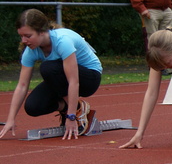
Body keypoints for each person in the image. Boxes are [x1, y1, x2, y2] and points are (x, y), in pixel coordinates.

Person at [0, 9, 102, 140]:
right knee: (33, 107)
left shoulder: (62, 42)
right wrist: (10, 119)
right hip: (62, 77)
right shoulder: (31, 50)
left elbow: (73, 81)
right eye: (21, 36)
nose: (24, 40)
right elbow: (22, 85)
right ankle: (74, 106)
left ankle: (75, 110)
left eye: (28, 36)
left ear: (42, 32)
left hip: (90, 78)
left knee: (48, 68)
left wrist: (71, 117)